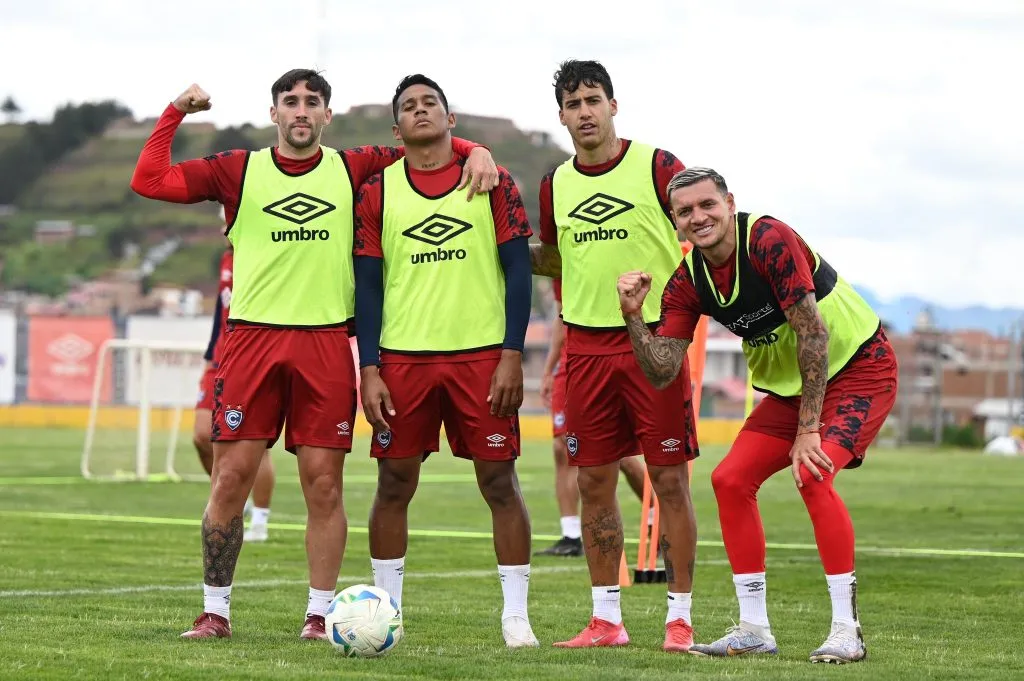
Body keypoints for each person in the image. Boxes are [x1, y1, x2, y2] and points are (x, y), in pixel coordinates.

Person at [129, 68, 499, 640]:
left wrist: (479, 150)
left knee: (323, 484)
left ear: (328, 115)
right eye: (290, 102)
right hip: (251, 340)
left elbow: (425, 139)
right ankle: (215, 611)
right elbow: (148, 180)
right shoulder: (237, 170)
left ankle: (320, 616)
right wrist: (176, 109)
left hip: (326, 342)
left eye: (313, 103)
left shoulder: (353, 168)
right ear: (274, 113)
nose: (301, 111)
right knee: (230, 478)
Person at [618, 166, 898, 664]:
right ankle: (754, 629)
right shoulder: (688, 280)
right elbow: (662, 369)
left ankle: (846, 631)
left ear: (729, 203)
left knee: (813, 475)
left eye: (708, 205)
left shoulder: (768, 238)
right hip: (794, 389)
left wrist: (808, 431)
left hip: (859, 368)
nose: (698, 217)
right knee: (728, 480)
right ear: (676, 223)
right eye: (685, 211)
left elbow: (812, 332)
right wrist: (634, 315)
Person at [353, 74, 537, 648]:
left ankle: (515, 616)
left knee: (500, 483)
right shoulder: (377, 190)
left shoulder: (492, 180)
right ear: (396, 129)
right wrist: (369, 366)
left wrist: (512, 353)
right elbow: (368, 288)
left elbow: (519, 271)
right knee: (393, 483)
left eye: (430, 102)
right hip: (403, 359)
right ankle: (388, 613)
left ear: (450, 120)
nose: (420, 110)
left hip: (481, 356)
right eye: (409, 106)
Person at [529, 60, 700, 652]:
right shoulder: (556, 184)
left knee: (669, 481)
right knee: (593, 481)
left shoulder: (657, 166)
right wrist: (498, 253)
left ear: (613, 105)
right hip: (586, 346)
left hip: (653, 337)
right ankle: (607, 621)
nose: (585, 112)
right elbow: (553, 257)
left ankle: (680, 619)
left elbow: (703, 231)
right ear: (561, 116)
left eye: (593, 100)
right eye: (573, 104)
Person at [535, 278, 648, 558]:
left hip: (597, 357)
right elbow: (562, 319)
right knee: (563, 449)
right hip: (571, 361)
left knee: (613, 452)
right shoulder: (562, 261)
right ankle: (571, 535)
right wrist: (551, 368)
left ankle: (656, 519)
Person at [193, 244, 276, 542]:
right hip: (219, 358)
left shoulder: (262, 247)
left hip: (251, 357)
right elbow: (221, 308)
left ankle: (260, 522)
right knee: (202, 436)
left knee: (258, 444)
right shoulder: (226, 256)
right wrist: (208, 353)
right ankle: (231, 502)